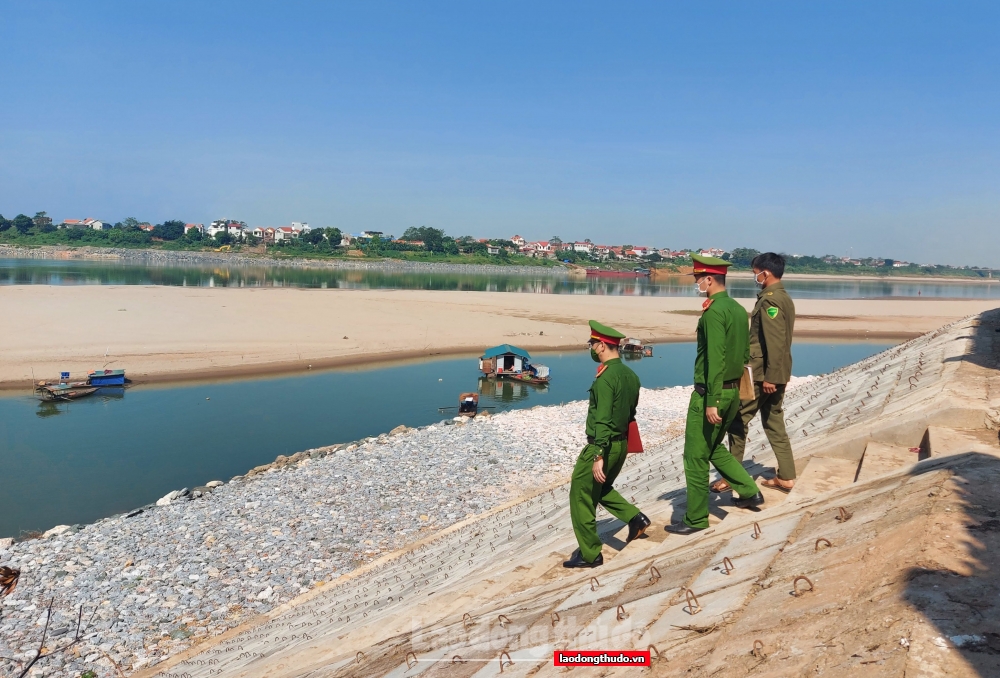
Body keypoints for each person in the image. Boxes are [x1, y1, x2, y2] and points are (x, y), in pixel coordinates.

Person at [667, 255, 763, 536]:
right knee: (712, 448)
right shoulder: (736, 309)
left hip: (712, 393)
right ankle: (749, 490)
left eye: (698, 278)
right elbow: (743, 354)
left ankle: (696, 518)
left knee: (695, 457)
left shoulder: (714, 312)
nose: (697, 283)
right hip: (732, 391)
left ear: (709, 279)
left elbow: (714, 358)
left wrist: (711, 401)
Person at [564, 320, 651, 568]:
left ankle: (590, 554)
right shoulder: (631, 375)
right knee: (601, 489)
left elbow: (602, 419)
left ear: (602, 345)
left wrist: (598, 455)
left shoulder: (605, 378)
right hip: (621, 444)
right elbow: (631, 413)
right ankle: (635, 518)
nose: (591, 348)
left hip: (602, 445)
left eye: (592, 344)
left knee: (581, 495)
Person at [715, 252, 797, 493]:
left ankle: (732, 476)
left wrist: (771, 377)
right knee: (774, 421)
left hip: (763, 375)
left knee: (737, 420)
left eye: (755, 273)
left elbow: (775, 341)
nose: (755, 277)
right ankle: (786, 476)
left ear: (766, 273)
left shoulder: (771, 301)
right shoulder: (783, 297)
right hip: (777, 371)